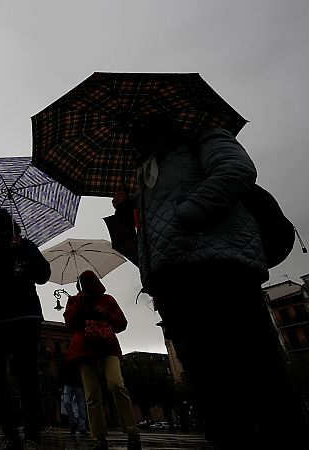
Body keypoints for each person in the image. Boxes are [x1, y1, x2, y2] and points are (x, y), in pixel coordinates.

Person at [114, 114, 309, 449]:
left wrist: (187, 212)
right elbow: (152, 235)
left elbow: (236, 172)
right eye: (130, 132)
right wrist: (127, 212)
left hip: (223, 270)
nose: (133, 137)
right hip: (177, 284)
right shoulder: (145, 174)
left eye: (139, 128)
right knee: (208, 382)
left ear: (159, 123)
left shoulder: (202, 139)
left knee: (257, 368)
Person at [0, 208, 51, 450]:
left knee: (26, 375)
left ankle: (33, 434)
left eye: (3, 225)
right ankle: (9, 431)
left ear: (11, 225)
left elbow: (43, 274)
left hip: (24, 317)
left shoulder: (25, 246)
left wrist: (23, 252)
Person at [63, 271, 139, 450]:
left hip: (108, 347)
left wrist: (106, 314)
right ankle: (99, 436)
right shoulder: (75, 300)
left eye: (91, 281)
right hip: (84, 349)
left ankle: (131, 430)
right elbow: (69, 322)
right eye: (84, 282)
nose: (88, 284)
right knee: (91, 395)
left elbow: (122, 324)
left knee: (116, 384)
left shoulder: (108, 300)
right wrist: (79, 304)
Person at [62, 360, 87, 437]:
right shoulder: (66, 359)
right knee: (66, 403)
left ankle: (82, 427)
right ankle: (74, 423)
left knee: (81, 406)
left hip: (78, 384)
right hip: (68, 384)